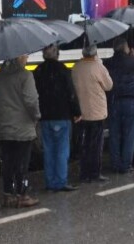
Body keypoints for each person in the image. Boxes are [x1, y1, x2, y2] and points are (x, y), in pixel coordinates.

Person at [0, 55, 41, 208]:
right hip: (22, 128)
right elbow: (31, 100)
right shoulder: (25, 76)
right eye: (25, 55)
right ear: (18, 57)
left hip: (4, 127)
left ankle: (8, 195)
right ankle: (22, 195)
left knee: (8, 163)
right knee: (22, 164)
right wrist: (36, 116)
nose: (27, 58)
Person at [33, 44, 81, 192]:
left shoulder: (38, 71)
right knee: (61, 150)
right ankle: (60, 181)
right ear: (57, 54)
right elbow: (70, 93)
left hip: (45, 116)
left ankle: (50, 182)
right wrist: (76, 112)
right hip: (61, 115)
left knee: (49, 150)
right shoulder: (63, 70)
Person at [104, 37, 134, 174]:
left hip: (113, 101)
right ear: (125, 48)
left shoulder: (108, 62)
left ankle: (115, 164)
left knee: (115, 134)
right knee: (130, 134)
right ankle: (126, 165)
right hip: (130, 101)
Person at [71, 44, 113, 183]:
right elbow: (109, 85)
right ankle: (95, 172)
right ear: (95, 54)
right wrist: (99, 63)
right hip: (97, 112)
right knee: (96, 144)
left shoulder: (76, 67)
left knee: (85, 143)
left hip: (82, 112)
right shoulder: (98, 67)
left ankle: (84, 173)